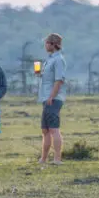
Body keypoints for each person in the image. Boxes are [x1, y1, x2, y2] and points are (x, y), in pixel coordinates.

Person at [39, 33, 66, 165]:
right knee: (45, 130)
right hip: (45, 97)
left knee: (53, 129)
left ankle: (57, 158)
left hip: (53, 98)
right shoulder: (49, 60)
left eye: (47, 43)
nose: (45, 45)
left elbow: (59, 80)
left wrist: (52, 96)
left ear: (53, 44)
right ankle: (43, 158)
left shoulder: (58, 60)